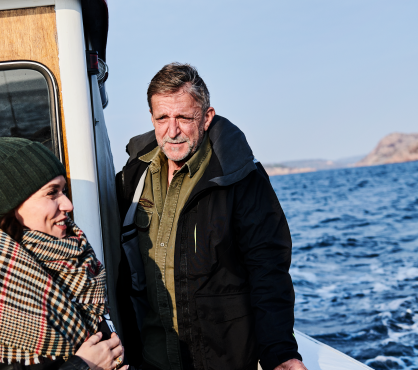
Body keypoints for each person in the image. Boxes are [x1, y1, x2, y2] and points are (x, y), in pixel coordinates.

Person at [115, 63, 307, 370]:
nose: (172, 130)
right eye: (162, 118)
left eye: (184, 118)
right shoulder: (133, 177)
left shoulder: (242, 177)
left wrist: (279, 351)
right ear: (151, 118)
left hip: (223, 360)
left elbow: (268, 269)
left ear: (206, 117)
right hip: (151, 359)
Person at [0, 133, 127, 370]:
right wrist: (84, 366)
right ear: (7, 203)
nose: (68, 205)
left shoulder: (75, 264)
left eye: (64, 190)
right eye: (52, 193)